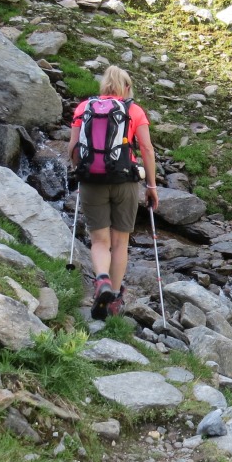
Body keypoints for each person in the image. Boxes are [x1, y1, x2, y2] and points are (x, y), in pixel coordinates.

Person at [68, 65, 158, 319]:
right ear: (127, 87)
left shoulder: (83, 108)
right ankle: (114, 300)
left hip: (92, 182)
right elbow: (147, 149)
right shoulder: (133, 110)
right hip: (124, 181)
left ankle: (102, 281)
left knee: (99, 241)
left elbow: (73, 147)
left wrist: (81, 172)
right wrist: (151, 186)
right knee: (120, 242)